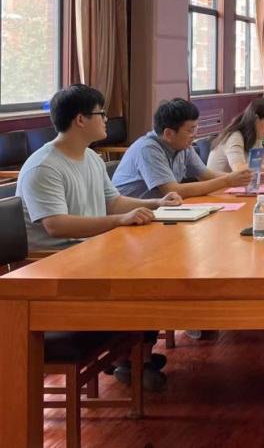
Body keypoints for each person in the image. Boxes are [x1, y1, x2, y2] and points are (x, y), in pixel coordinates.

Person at [16, 85, 178, 390]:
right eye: (101, 113)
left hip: (90, 254)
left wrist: (157, 203)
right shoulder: (44, 166)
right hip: (58, 267)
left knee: (154, 266)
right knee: (142, 279)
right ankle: (132, 359)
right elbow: (56, 225)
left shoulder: (90, 157)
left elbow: (113, 202)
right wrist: (119, 221)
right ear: (80, 120)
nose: (106, 120)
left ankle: (135, 355)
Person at [112, 98, 252, 198]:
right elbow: (173, 190)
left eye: (196, 128)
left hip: (159, 211)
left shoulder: (183, 145)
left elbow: (205, 175)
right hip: (131, 217)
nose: (195, 135)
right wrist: (227, 181)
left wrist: (243, 178)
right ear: (169, 134)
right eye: (191, 130)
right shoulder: (148, 149)